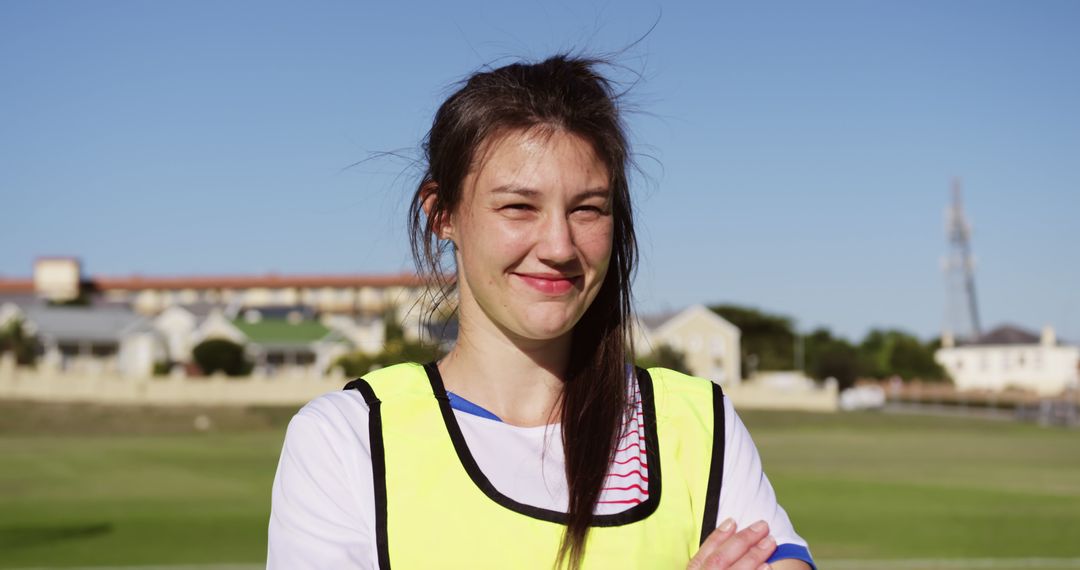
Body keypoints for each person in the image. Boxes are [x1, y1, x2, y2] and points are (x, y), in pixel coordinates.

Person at [267, 55, 815, 570]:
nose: (558, 245)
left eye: (588, 209)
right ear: (443, 214)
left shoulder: (699, 423)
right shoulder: (349, 437)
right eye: (518, 207)